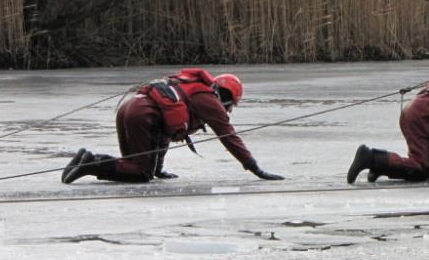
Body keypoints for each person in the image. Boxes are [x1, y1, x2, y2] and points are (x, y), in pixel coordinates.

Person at [62, 68, 283, 184]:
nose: (229, 111)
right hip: (141, 115)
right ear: (228, 97)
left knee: (132, 167)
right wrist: (255, 168)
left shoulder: (191, 89)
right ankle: (90, 163)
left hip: (130, 108)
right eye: (231, 105)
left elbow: (165, 130)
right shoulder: (208, 101)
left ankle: (88, 160)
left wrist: (158, 169)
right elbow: (229, 136)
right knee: (140, 173)